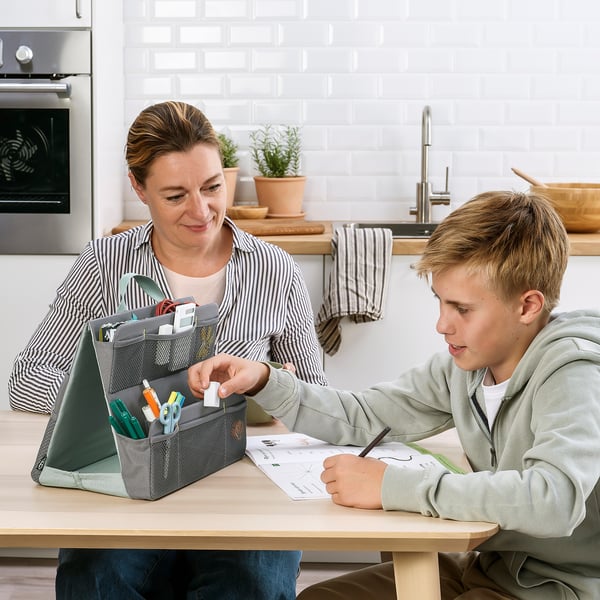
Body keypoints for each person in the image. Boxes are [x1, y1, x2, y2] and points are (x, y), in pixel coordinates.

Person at [188, 191, 600, 600]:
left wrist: (394, 486)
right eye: (440, 302)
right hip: (485, 569)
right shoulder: (467, 368)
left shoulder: (573, 374)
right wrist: (265, 380)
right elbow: (366, 415)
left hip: (558, 586)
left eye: (462, 309)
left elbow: (555, 498)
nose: (442, 324)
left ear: (527, 306)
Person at [9, 100, 327, 599]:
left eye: (212, 188)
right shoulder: (104, 265)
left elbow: (318, 397)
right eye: (176, 195)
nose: (201, 212)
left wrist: (268, 385)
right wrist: (108, 399)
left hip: (240, 490)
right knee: (95, 578)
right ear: (139, 189)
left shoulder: (275, 270)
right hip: (130, 486)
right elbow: (27, 379)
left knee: (254, 584)